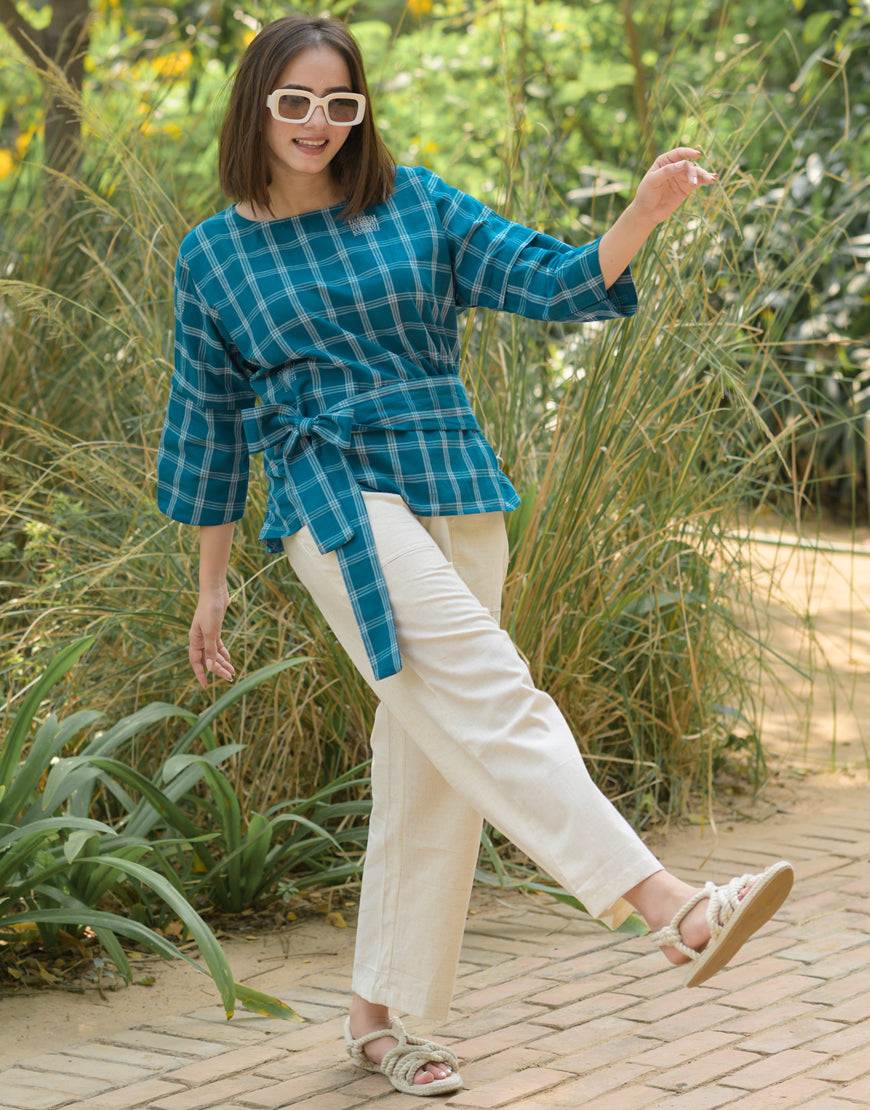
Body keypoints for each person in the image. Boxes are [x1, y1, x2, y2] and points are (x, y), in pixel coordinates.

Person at [156, 14, 794, 1098]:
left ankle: (380, 1018)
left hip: (452, 480)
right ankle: (674, 910)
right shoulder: (213, 254)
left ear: (360, 114)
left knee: (435, 765)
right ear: (258, 104)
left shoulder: (415, 203)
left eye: (340, 104)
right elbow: (206, 426)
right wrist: (209, 589)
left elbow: (549, 280)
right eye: (297, 101)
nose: (319, 123)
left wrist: (643, 211)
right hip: (331, 498)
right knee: (495, 697)